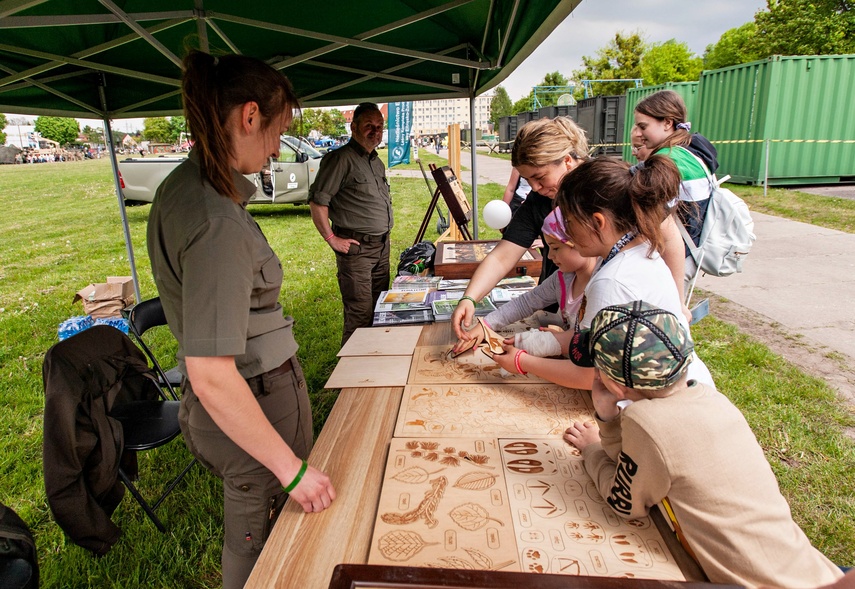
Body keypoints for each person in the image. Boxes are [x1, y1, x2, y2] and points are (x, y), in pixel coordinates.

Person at [147, 50, 335, 589]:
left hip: (249, 404)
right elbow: (209, 371)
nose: (279, 147)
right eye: (278, 130)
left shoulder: (187, 188)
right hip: (250, 411)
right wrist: (291, 468)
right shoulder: (215, 219)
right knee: (257, 555)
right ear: (249, 117)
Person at [562, 301, 843, 589]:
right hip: (814, 570)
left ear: (616, 385)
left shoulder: (645, 420)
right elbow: (642, 464)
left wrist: (593, 447)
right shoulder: (709, 397)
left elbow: (625, 502)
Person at [451, 117, 689, 347]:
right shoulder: (540, 203)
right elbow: (503, 256)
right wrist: (470, 297)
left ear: (566, 161)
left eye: (539, 177)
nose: (535, 188)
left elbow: (668, 236)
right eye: (527, 180)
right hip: (568, 314)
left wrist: (678, 303)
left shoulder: (608, 183)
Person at [491, 156, 714, 390]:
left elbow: (589, 376)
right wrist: (539, 343)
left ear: (597, 222)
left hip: (660, 404)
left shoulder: (612, 280)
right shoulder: (635, 251)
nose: (567, 231)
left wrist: (522, 361)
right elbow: (588, 339)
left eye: (569, 220)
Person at [309, 102, 392, 345]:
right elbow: (318, 202)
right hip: (357, 250)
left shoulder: (376, 162)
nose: (375, 132)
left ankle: (373, 362)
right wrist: (331, 238)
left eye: (379, 127)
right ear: (353, 127)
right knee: (360, 314)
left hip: (381, 248)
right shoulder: (340, 160)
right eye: (369, 126)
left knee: (379, 311)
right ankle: (350, 378)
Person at [633, 90, 720, 287]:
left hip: (673, 258)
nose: (638, 133)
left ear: (667, 122)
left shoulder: (667, 159)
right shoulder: (691, 151)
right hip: (690, 253)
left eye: (643, 126)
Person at [479, 207, 596, 338]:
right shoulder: (561, 279)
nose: (550, 256)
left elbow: (589, 344)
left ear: (580, 242)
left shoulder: (602, 286)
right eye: (548, 248)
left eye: (556, 248)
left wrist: (558, 341)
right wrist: (485, 324)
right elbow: (526, 303)